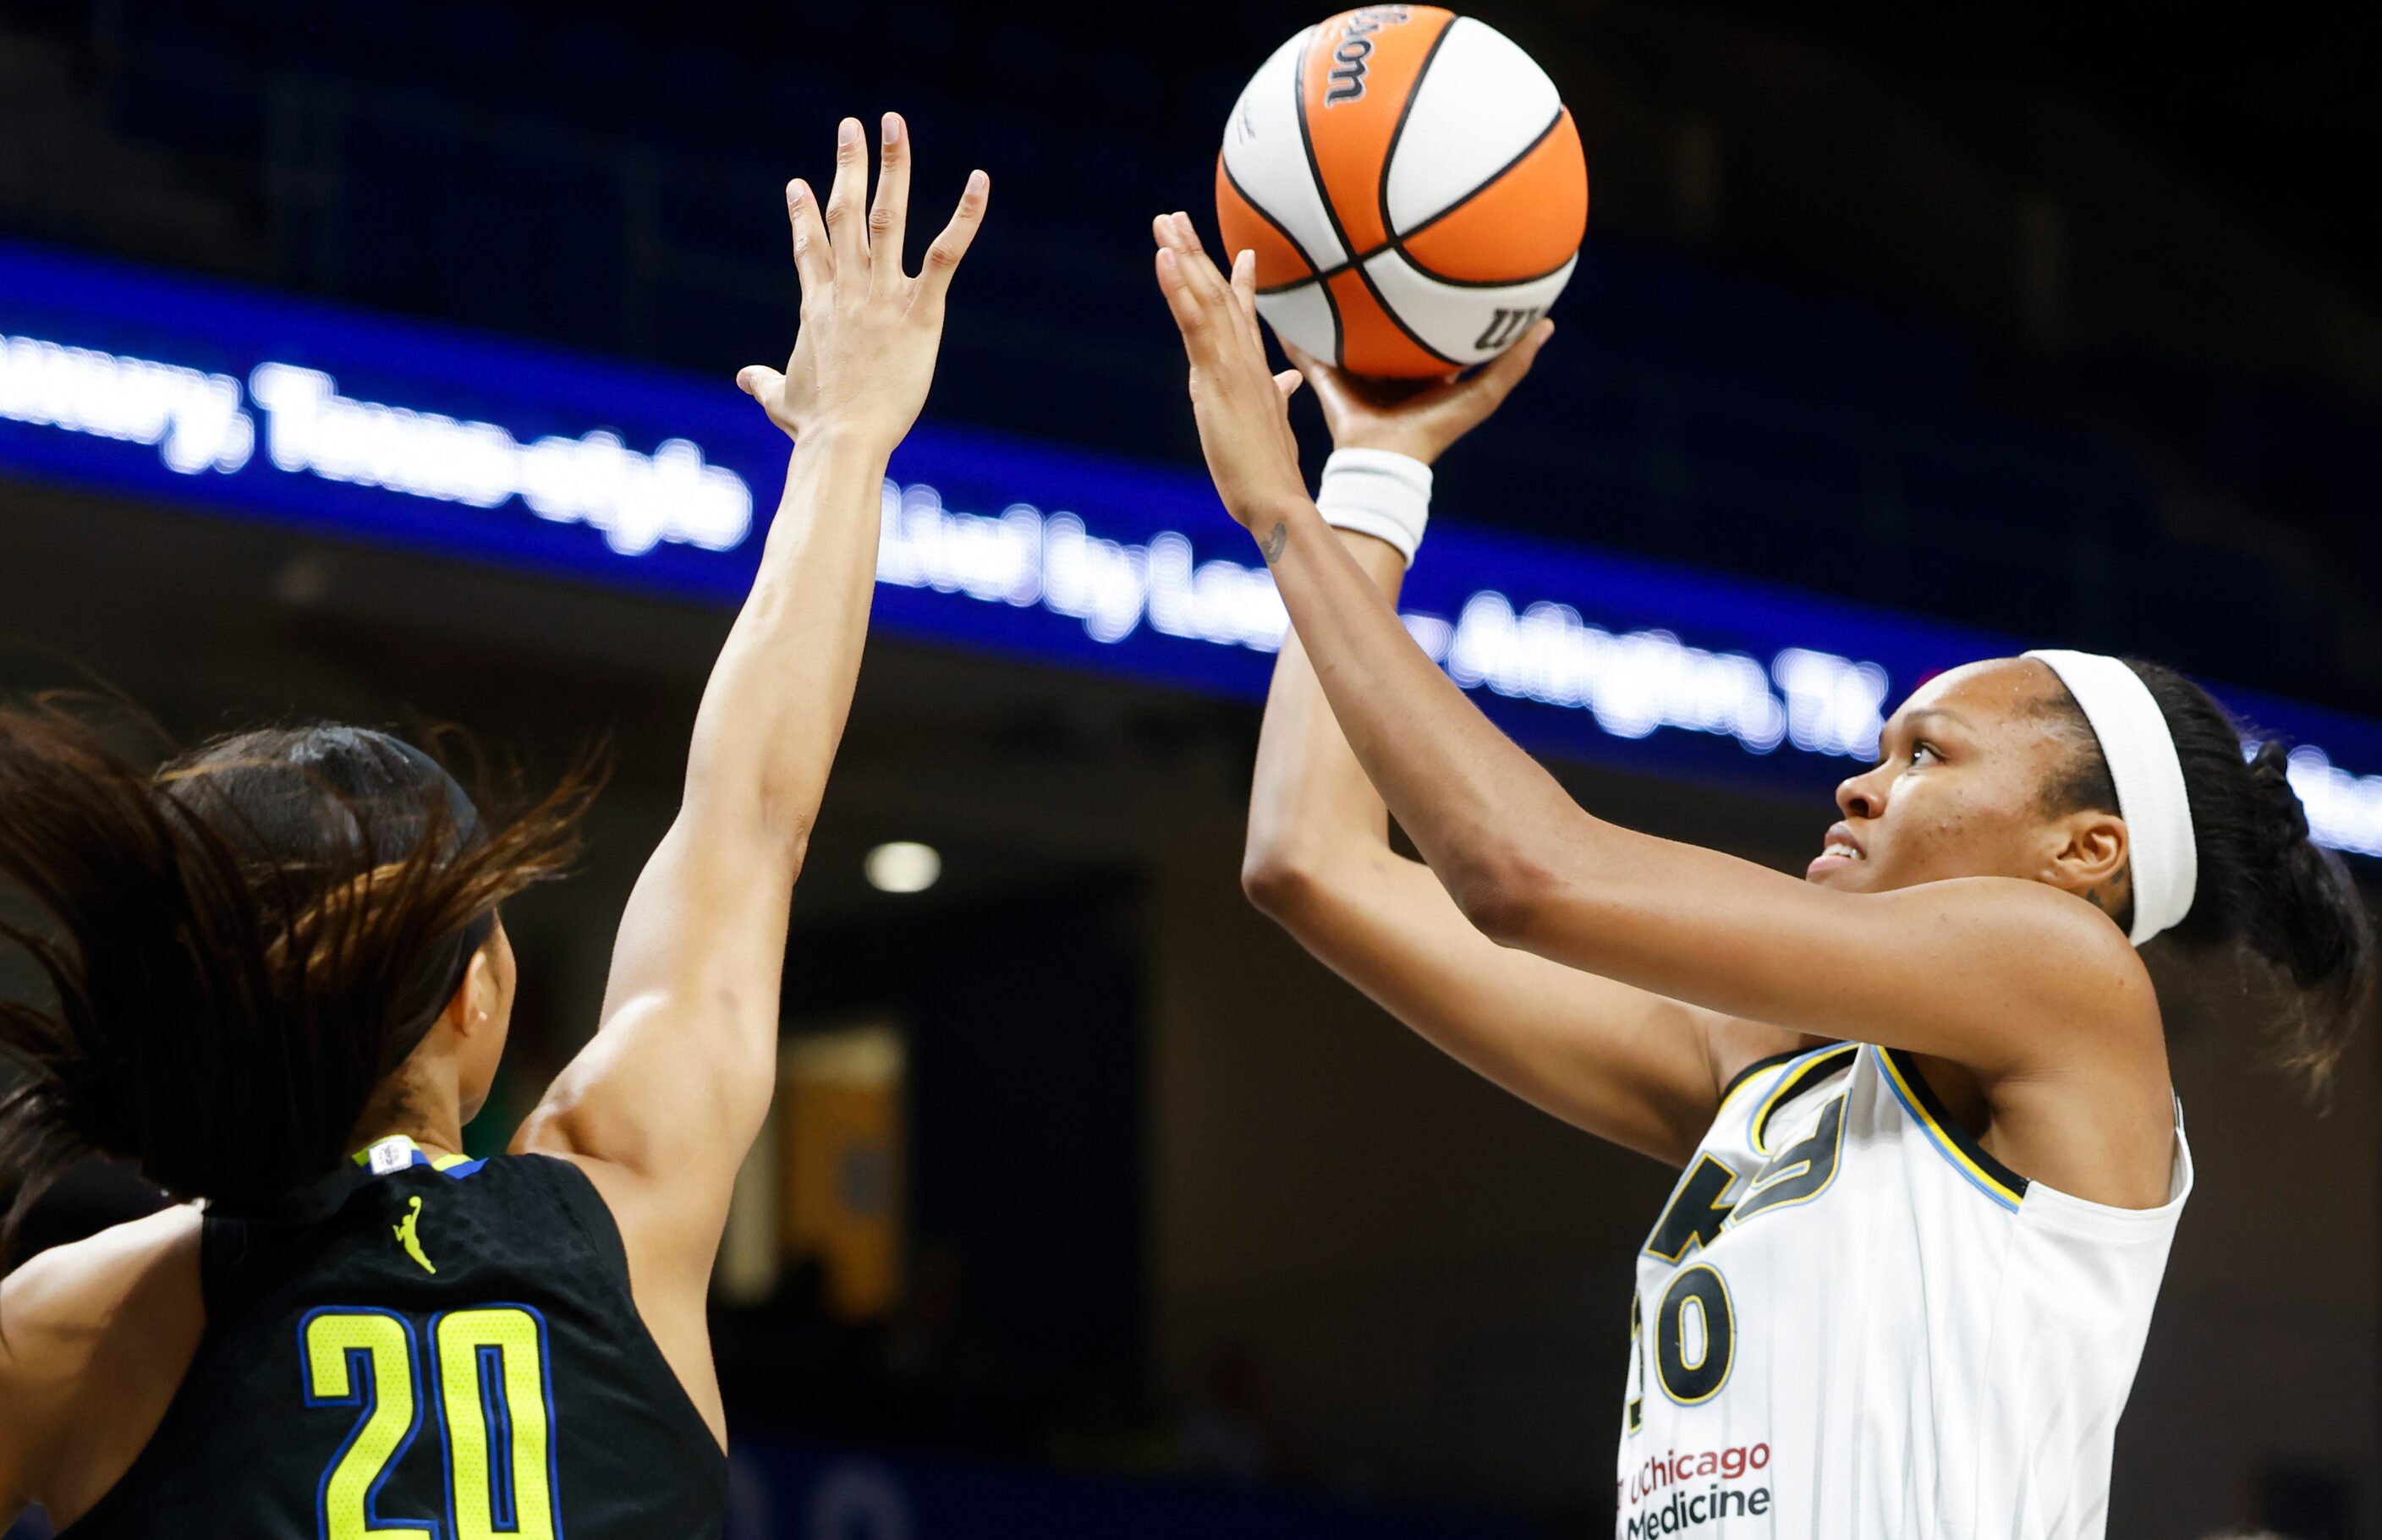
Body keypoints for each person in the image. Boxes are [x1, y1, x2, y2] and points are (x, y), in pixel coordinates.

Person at [1148, 213, 2373, 1538]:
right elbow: (1309, 861)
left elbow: (1525, 873)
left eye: (1928, 756)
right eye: (1877, 749)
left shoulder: (2069, 980)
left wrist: (1280, 514)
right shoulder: (1767, 1077)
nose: (1860, 783)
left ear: (2083, 854)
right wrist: (1372, 480)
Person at [0, 114, 985, 1538]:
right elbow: (755, 809)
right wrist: (845, 441)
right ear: (481, 993)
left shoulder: (78, 1324)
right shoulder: (630, 1192)